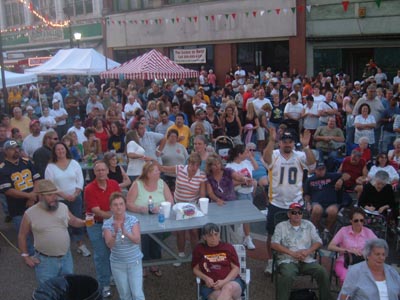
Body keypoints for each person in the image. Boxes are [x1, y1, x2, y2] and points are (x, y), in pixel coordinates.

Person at [262, 128, 316, 275]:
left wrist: (306, 146)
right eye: (284, 141)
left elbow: (312, 165)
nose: (287, 144)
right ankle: (270, 261)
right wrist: (271, 141)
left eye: (290, 142)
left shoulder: (299, 155)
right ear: (280, 143)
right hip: (276, 202)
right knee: (271, 234)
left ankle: (294, 258)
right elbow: (266, 160)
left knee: (297, 232)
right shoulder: (274, 154)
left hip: (295, 202)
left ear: (294, 143)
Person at [18, 179, 86, 285]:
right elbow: (22, 235)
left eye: (55, 194)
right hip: (45, 262)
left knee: (68, 287)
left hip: (66, 258)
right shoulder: (30, 213)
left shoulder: (63, 207)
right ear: (40, 196)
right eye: (49, 195)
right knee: (48, 291)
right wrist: (25, 256)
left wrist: (85, 222)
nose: (54, 198)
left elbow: (73, 221)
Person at [271, 203, 333, 300]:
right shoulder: (281, 226)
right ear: (289, 214)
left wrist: (307, 251)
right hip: (288, 260)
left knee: (322, 272)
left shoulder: (309, 225)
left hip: (306, 259)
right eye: (294, 212)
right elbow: (274, 244)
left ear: (302, 214)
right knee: (287, 275)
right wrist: (292, 253)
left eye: (299, 212)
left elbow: (318, 242)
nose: (297, 215)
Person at [157, 152, 207, 266]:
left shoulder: (202, 175)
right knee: (180, 231)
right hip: (178, 204)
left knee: (194, 232)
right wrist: (153, 162)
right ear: (188, 163)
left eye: (197, 165)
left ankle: (195, 255)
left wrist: (200, 208)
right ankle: (180, 254)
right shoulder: (179, 169)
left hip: (192, 206)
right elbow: (163, 168)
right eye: (192, 164)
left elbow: (202, 195)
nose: (194, 168)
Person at [126, 162, 174, 277]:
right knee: (144, 240)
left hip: (159, 219)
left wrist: (161, 207)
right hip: (140, 220)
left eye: (158, 170)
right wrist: (141, 209)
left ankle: (155, 263)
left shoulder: (162, 183)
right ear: (148, 174)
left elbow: (170, 201)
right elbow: (129, 203)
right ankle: (144, 265)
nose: (159, 172)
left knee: (157, 240)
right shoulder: (137, 184)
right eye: (155, 171)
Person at [44, 142, 90, 257]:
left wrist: (75, 194)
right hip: (59, 200)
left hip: (75, 197)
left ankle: (80, 244)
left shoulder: (74, 163)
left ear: (66, 150)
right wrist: (64, 196)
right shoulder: (50, 167)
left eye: (62, 149)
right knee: (62, 223)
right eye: (58, 150)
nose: (60, 151)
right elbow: (50, 184)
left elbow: (80, 180)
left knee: (77, 219)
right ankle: (64, 247)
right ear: (54, 152)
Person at [84, 160, 121, 298]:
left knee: (114, 251)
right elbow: (96, 211)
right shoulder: (89, 188)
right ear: (94, 172)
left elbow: (119, 202)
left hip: (112, 223)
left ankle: (111, 276)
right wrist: (115, 216)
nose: (101, 172)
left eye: (103, 170)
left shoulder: (114, 184)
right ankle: (104, 284)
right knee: (101, 255)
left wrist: (118, 214)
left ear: (107, 171)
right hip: (96, 224)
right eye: (98, 170)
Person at [0, 140, 40, 256]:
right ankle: (30, 256)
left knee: (39, 230)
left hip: (34, 204)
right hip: (17, 207)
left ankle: (41, 253)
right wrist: (29, 196)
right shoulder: (3, 169)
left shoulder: (27, 162)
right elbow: (8, 191)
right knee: (24, 234)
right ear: (6, 151)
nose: (16, 150)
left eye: (17, 148)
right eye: (13, 148)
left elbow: (37, 179)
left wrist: (32, 197)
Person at [103, 192, 145, 300]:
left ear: (125, 205)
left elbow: (137, 240)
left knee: (137, 294)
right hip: (117, 264)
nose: (119, 207)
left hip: (134, 262)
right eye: (115, 204)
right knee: (124, 295)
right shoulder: (107, 224)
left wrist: (125, 232)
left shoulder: (133, 220)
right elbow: (109, 245)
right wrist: (115, 233)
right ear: (111, 207)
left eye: (121, 204)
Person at [192, 223, 245, 300]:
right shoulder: (199, 249)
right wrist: (206, 278)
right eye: (210, 235)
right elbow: (195, 269)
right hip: (210, 287)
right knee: (223, 296)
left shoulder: (228, 248)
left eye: (216, 234)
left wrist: (224, 281)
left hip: (232, 282)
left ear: (219, 234)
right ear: (204, 237)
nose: (214, 238)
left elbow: (236, 268)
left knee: (227, 288)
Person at [327, 207, 377, 285]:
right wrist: (347, 250)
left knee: (367, 280)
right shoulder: (344, 230)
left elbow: (379, 247)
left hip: (363, 262)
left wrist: (367, 253)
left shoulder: (368, 232)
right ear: (351, 221)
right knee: (346, 278)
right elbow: (330, 246)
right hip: (345, 262)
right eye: (356, 220)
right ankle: (346, 296)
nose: (359, 223)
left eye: (362, 220)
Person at [226, 145, 258, 250]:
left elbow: (256, 167)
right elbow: (229, 183)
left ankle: (247, 237)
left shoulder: (247, 163)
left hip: (248, 193)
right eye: (245, 152)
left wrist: (251, 157)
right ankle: (239, 239)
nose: (247, 153)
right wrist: (243, 182)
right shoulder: (230, 167)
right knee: (241, 218)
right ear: (239, 154)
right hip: (239, 193)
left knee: (247, 217)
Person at [304, 161, 345, 244]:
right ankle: (315, 231)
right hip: (316, 202)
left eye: (323, 169)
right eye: (319, 169)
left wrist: (341, 180)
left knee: (333, 211)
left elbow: (346, 175)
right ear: (315, 170)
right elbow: (307, 194)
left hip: (331, 203)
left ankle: (327, 231)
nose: (321, 171)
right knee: (317, 210)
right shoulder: (310, 180)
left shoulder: (331, 176)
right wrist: (307, 203)